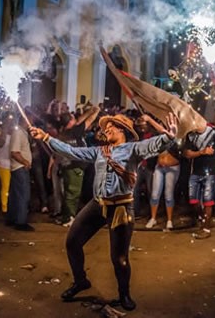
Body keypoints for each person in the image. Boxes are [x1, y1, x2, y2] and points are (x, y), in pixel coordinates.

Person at [29, 113, 178, 311]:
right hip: (98, 204)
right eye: (105, 127)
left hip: (121, 207)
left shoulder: (133, 148)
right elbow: (72, 152)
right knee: (72, 242)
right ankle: (80, 281)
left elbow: (154, 145)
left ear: (122, 130)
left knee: (119, 258)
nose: (106, 129)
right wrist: (47, 138)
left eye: (111, 126)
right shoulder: (100, 151)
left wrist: (169, 136)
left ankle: (124, 294)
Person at [183, 124, 215, 239]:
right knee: (193, 200)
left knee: (208, 201)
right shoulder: (190, 135)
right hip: (195, 171)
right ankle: (204, 220)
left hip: (210, 172)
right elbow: (186, 153)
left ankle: (205, 228)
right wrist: (201, 152)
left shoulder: (213, 132)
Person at [6, 115, 34, 231]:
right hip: (20, 167)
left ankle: (12, 218)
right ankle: (20, 221)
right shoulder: (18, 133)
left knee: (15, 195)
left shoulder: (21, 132)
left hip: (19, 167)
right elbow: (14, 152)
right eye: (31, 119)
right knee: (23, 195)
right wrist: (25, 162)